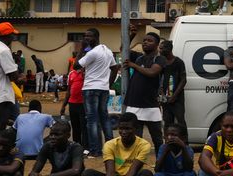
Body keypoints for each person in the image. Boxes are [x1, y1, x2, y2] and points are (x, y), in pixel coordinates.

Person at [76, 27, 120, 157]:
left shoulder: (92, 53)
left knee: (92, 120)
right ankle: (111, 148)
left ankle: (96, 150)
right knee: (104, 118)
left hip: (90, 89)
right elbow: (114, 68)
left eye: (88, 36)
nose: (85, 39)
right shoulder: (107, 50)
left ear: (96, 37)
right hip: (103, 89)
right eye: (84, 36)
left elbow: (76, 66)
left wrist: (81, 49)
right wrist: (108, 84)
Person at [123, 32, 167, 154]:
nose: (145, 42)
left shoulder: (160, 59)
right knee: (135, 139)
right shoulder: (138, 57)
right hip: (134, 104)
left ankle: (160, 164)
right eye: (144, 40)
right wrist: (131, 35)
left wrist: (134, 66)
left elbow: (152, 72)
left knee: (157, 139)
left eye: (150, 40)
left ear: (157, 44)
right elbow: (123, 50)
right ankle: (136, 165)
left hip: (150, 106)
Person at [81, 112, 153, 176]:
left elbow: (132, 172)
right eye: (121, 128)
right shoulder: (110, 145)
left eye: (128, 129)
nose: (124, 132)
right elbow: (110, 173)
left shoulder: (144, 145)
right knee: (87, 173)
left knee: (146, 173)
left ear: (136, 128)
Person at [159, 40, 187, 141]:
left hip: (177, 99)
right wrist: (162, 95)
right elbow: (160, 79)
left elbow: (183, 80)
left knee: (180, 121)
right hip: (165, 99)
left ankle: (184, 144)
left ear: (169, 49)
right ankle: (168, 143)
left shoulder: (178, 62)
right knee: (167, 122)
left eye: (162, 48)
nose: (160, 50)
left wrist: (174, 96)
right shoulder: (162, 63)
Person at [60, 61, 87, 148]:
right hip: (72, 104)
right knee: (75, 127)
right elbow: (68, 91)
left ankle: (85, 146)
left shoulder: (86, 73)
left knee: (84, 126)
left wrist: (83, 71)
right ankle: (76, 145)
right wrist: (64, 105)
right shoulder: (71, 74)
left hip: (83, 104)